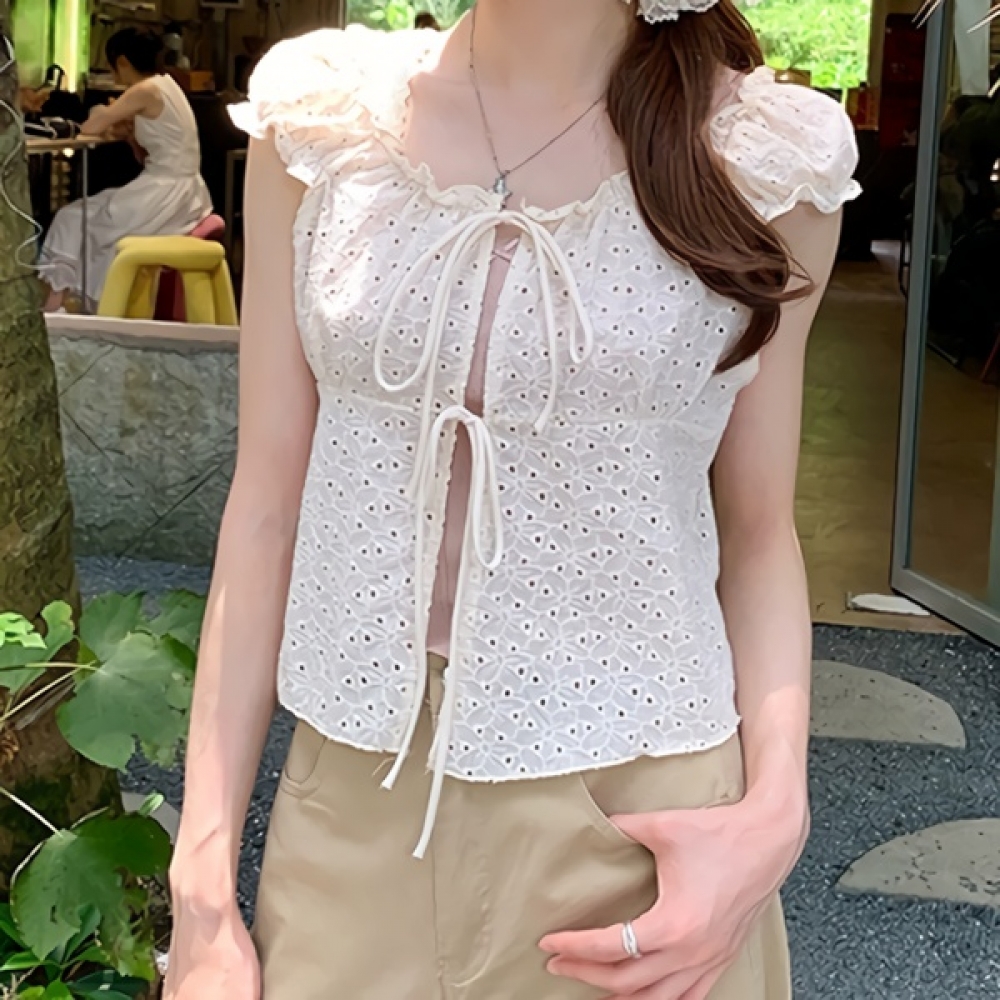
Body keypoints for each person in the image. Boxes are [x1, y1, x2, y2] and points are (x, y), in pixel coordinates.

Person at [165, 1, 860, 998]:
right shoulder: (321, 125)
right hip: (352, 805)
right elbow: (266, 504)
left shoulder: (766, 162)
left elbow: (757, 533)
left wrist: (775, 815)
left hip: (645, 817)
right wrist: (201, 882)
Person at [39, 29, 212, 311]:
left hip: (162, 195)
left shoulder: (145, 90)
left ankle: (62, 302)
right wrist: (130, 134)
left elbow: (91, 126)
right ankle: (67, 301)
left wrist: (100, 111)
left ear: (121, 62)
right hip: (183, 191)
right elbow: (149, 152)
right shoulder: (168, 85)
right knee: (86, 213)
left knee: (71, 218)